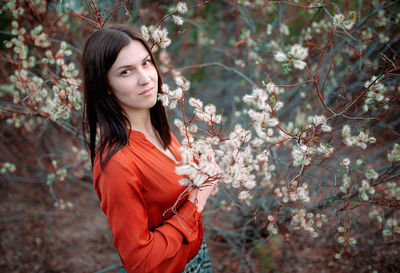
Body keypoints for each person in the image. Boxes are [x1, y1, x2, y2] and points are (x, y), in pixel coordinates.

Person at [81, 24, 214, 273]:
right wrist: (197, 200)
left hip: (198, 257)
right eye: (125, 72)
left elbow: (167, 195)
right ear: (105, 84)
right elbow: (139, 262)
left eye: (145, 63)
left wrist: (201, 174)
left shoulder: (157, 128)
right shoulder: (116, 162)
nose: (145, 79)